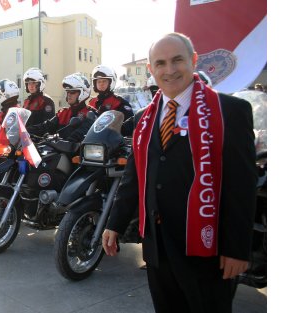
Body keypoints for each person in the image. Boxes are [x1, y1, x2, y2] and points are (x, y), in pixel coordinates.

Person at [101, 32, 257, 313]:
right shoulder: (144, 119)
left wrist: (237, 249)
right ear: (151, 69)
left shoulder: (229, 111)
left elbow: (242, 186)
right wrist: (114, 222)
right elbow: (134, 178)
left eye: (177, 60)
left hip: (208, 250)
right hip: (158, 247)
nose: (169, 70)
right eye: (160, 63)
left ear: (193, 60)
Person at [28, 73, 97, 141]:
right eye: (68, 92)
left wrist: (68, 140)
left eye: (72, 92)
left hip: (78, 151)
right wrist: (25, 130)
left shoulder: (91, 113)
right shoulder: (63, 113)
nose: (69, 95)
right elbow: (46, 126)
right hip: (59, 150)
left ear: (83, 92)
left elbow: (82, 132)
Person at [89, 64, 134, 135]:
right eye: (99, 81)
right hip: (90, 141)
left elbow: (129, 126)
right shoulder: (91, 102)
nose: (101, 84)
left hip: (110, 142)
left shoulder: (120, 103)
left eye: (104, 81)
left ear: (111, 82)